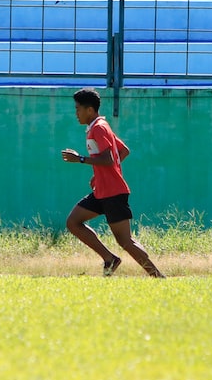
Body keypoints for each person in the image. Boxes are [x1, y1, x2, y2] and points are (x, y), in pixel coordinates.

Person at [60, 87, 165, 278]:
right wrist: (100, 173)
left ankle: (157, 276)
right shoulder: (99, 126)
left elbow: (109, 159)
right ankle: (110, 259)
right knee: (73, 222)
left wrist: (81, 159)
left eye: (78, 109)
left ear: (90, 110)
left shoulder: (99, 128)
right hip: (102, 190)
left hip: (113, 193)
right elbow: (123, 151)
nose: (76, 113)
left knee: (125, 241)